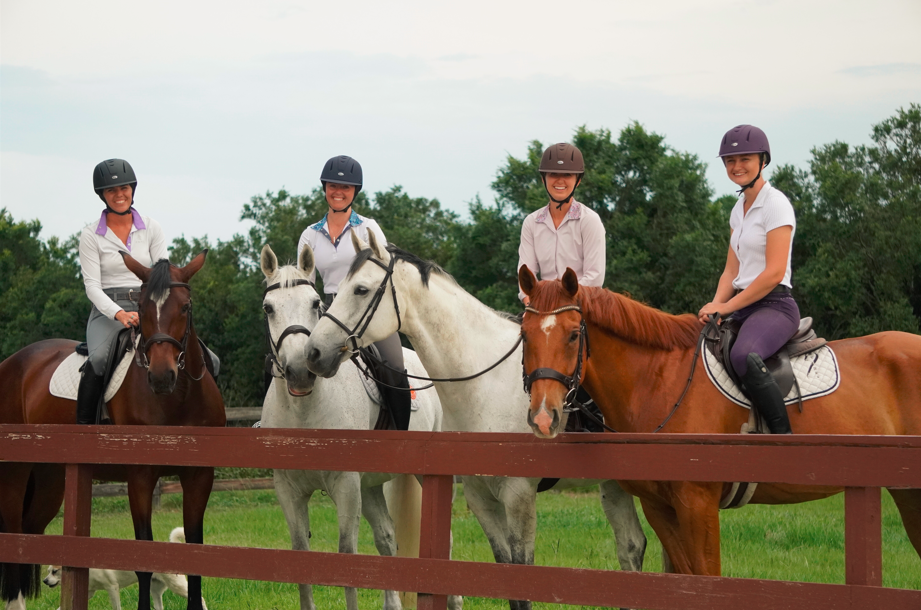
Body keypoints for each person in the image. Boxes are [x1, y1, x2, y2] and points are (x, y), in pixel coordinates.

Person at [296, 155, 412, 430]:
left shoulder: (368, 228)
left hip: (367, 310)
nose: (338, 192)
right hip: (327, 309)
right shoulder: (310, 235)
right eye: (333, 186)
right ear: (325, 188)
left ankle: (401, 437)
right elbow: (305, 284)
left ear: (355, 191)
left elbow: (385, 273)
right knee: (281, 358)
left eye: (345, 187)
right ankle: (268, 424)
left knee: (394, 366)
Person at [697, 125, 798, 434]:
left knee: (744, 355)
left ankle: (784, 439)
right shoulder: (738, 210)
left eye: (745, 159)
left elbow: (774, 273)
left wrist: (726, 308)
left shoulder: (775, 204)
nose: (736, 166)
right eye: (730, 160)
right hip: (742, 307)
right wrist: (715, 305)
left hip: (775, 305)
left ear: (762, 161)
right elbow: (731, 271)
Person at [517, 142, 606, 429]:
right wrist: (529, 299)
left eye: (567, 175)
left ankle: (596, 417)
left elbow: (594, 277)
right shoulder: (531, 223)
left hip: (579, 308)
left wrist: (558, 300)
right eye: (553, 174)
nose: (560, 180)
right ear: (544, 178)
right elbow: (525, 273)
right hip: (540, 309)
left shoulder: (589, 221)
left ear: (577, 180)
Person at [77, 158, 168, 424]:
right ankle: (84, 427)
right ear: (102, 195)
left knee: (207, 357)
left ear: (132, 189)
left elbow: (162, 276)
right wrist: (119, 314)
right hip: (107, 311)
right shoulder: (91, 235)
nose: (119, 195)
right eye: (111, 190)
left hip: (147, 306)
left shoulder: (151, 228)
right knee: (98, 359)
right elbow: (92, 287)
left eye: (124, 188)